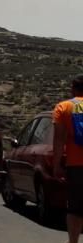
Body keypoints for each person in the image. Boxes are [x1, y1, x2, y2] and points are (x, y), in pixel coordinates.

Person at [53, 74, 83, 243]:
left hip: (76, 165)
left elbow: (58, 140)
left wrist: (57, 165)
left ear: (73, 88)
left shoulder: (64, 107)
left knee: (75, 208)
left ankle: (73, 241)